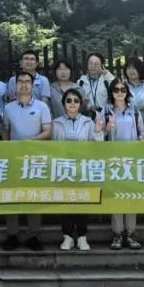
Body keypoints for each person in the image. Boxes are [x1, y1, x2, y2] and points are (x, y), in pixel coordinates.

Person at [1, 70, 52, 251]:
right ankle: (12, 234)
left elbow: (48, 131)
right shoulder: (8, 108)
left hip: (34, 158)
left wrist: (29, 143)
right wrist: (7, 147)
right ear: (15, 85)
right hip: (14, 158)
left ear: (33, 85)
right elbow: (5, 131)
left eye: (27, 81)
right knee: (11, 195)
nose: (24, 84)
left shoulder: (41, 106)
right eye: (20, 81)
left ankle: (33, 235)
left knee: (33, 196)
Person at [51, 87, 103, 251]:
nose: (72, 103)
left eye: (76, 100)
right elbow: (54, 146)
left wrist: (98, 132)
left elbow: (97, 145)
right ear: (64, 104)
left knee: (81, 202)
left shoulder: (88, 122)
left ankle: (82, 236)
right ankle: (67, 236)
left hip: (82, 168)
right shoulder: (56, 122)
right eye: (68, 100)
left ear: (80, 104)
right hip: (64, 169)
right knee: (65, 203)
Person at [103, 78, 144, 250]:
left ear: (127, 92)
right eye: (116, 89)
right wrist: (108, 126)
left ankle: (131, 232)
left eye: (123, 89)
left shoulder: (134, 110)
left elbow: (142, 132)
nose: (119, 92)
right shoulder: (106, 110)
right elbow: (100, 135)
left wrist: (140, 140)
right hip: (113, 159)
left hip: (131, 159)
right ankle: (117, 233)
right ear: (111, 92)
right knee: (116, 197)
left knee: (130, 196)